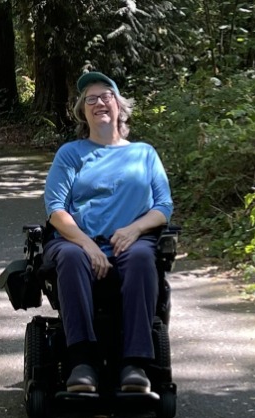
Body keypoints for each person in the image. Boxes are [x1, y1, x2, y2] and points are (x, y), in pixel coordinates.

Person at [42, 71, 173, 394]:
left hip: (130, 242)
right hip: (77, 242)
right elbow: (55, 209)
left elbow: (163, 206)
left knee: (143, 255)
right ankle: (81, 362)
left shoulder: (144, 153)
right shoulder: (71, 154)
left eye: (106, 96)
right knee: (71, 258)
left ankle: (135, 364)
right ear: (82, 112)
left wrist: (134, 229)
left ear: (120, 107)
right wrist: (87, 244)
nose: (99, 103)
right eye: (91, 99)